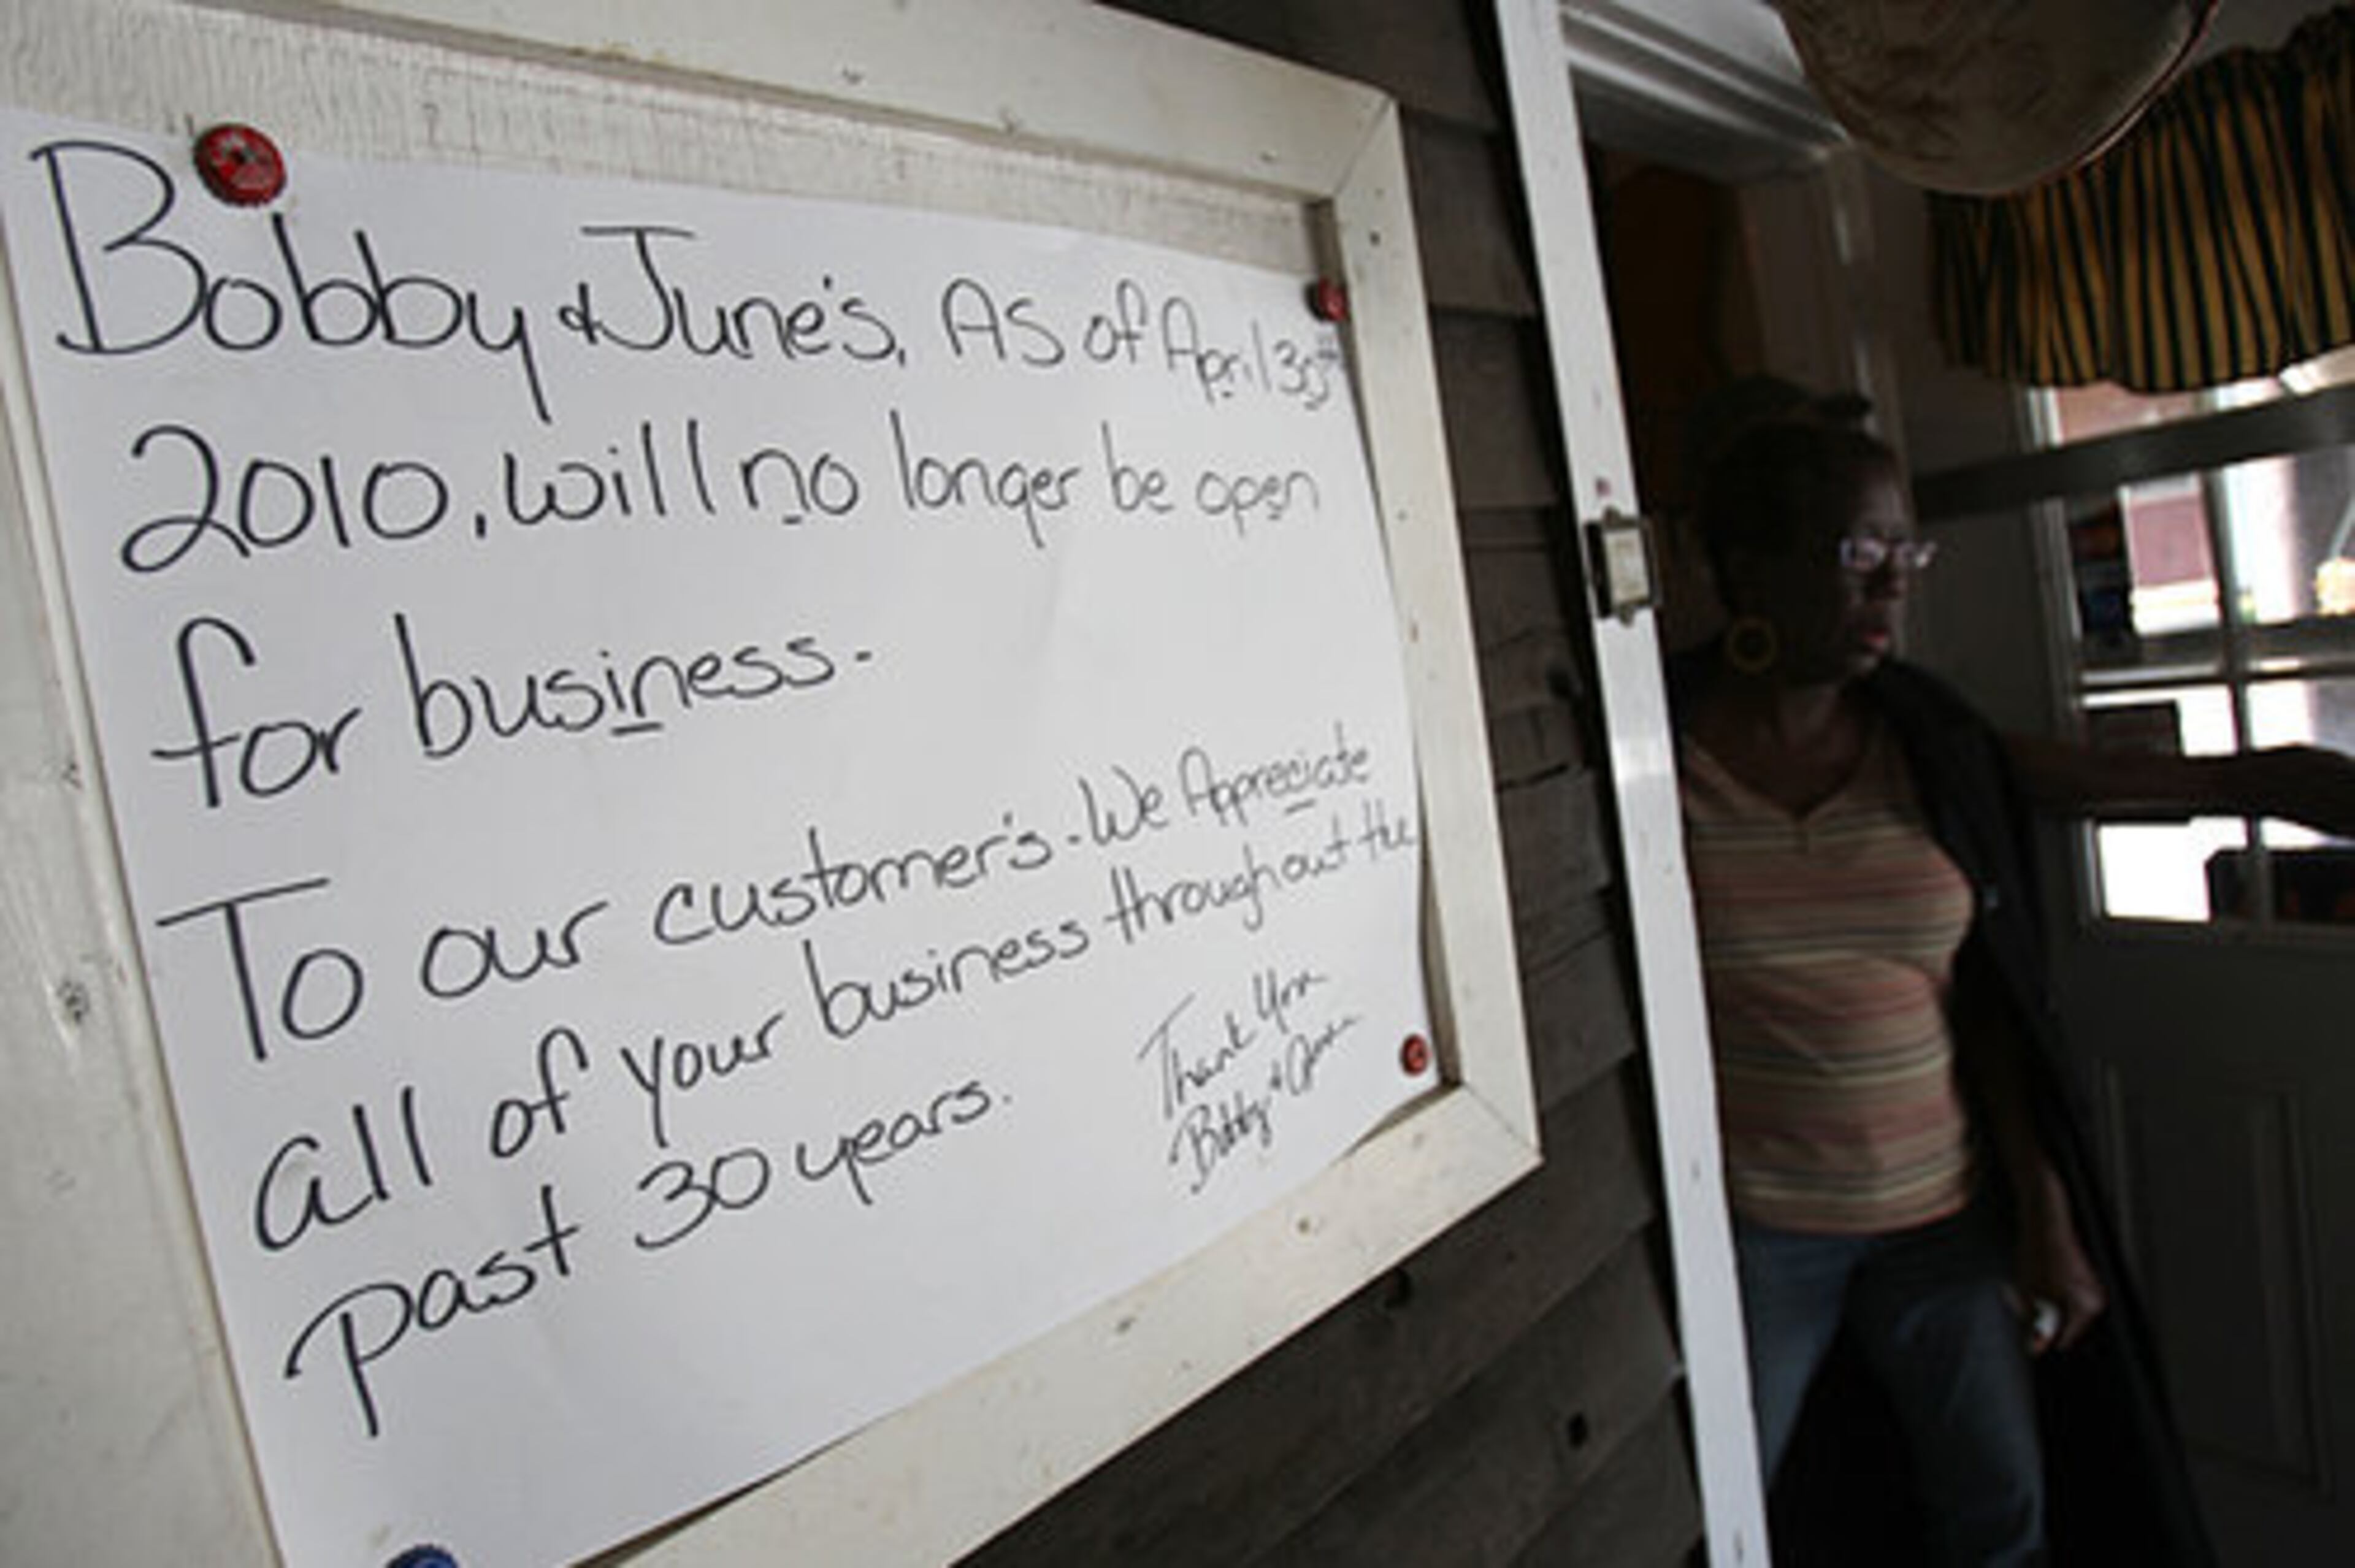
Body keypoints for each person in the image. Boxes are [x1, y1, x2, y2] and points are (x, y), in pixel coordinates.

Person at [1673, 406, 2355, 1566]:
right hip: (1754, 1232)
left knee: (2001, 1515)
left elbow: (1990, 1002)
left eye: (1908, 551)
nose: (1894, 584)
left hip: (1943, 1224)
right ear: (1749, 569)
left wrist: (2042, 1212)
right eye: (1858, 551)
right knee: (1705, 1519)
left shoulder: (1927, 745)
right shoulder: (1655, 762)